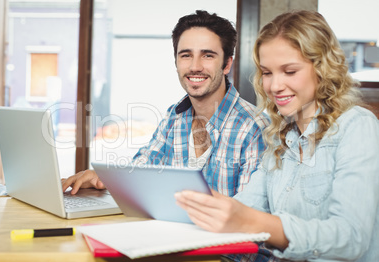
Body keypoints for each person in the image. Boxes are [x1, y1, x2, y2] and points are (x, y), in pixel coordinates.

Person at [175, 10, 379, 262]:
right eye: (267, 73)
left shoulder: (357, 126)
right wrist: (207, 209)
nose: (274, 86)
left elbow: (350, 238)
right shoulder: (281, 138)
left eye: (290, 71)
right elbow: (245, 206)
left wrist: (254, 222)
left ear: (322, 68)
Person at [62, 11, 269, 199]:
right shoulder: (175, 117)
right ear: (176, 62)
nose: (195, 66)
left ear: (227, 64)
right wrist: (102, 177)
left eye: (207, 55)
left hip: (222, 240)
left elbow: (248, 215)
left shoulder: (253, 126)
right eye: (186, 55)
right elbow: (141, 170)